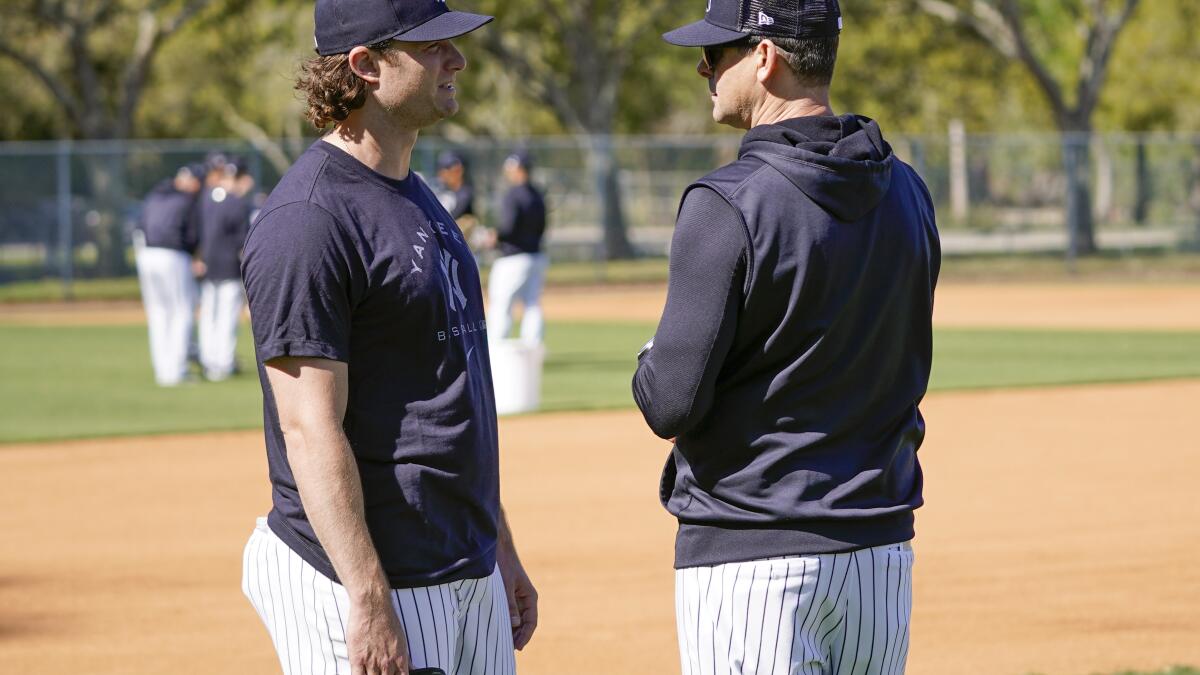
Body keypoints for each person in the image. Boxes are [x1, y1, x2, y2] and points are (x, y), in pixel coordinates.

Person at [632, 1, 940, 673]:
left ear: (764, 57)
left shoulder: (727, 201)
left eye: (717, 53)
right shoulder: (910, 191)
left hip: (752, 555)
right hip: (880, 549)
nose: (703, 66)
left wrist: (648, 362)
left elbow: (670, 403)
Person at [238, 1, 537, 674]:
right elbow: (309, 428)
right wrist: (368, 597)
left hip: (461, 563)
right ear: (366, 66)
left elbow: (448, 395)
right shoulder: (308, 220)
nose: (455, 59)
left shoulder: (414, 194)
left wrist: (499, 546)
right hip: (375, 579)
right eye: (431, 46)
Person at [134, 163, 203, 386]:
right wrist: (195, 256)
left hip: (146, 254)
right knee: (182, 311)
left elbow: (140, 226)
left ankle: (163, 369)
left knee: (158, 313)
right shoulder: (186, 200)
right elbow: (193, 235)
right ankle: (177, 370)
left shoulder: (155, 195)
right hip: (173, 255)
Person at [196, 157, 253, 381]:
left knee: (209, 315)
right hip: (229, 265)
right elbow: (243, 240)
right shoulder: (237, 203)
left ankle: (209, 361)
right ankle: (223, 363)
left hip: (210, 264)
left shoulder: (207, 198)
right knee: (226, 317)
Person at [486, 152, 548, 344]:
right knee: (532, 304)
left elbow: (508, 227)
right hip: (536, 256)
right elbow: (543, 226)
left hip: (512, 258)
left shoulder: (513, 194)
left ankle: (496, 347)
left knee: (501, 304)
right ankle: (533, 347)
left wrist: (493, 237)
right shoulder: (537, 195)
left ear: (519, 169)